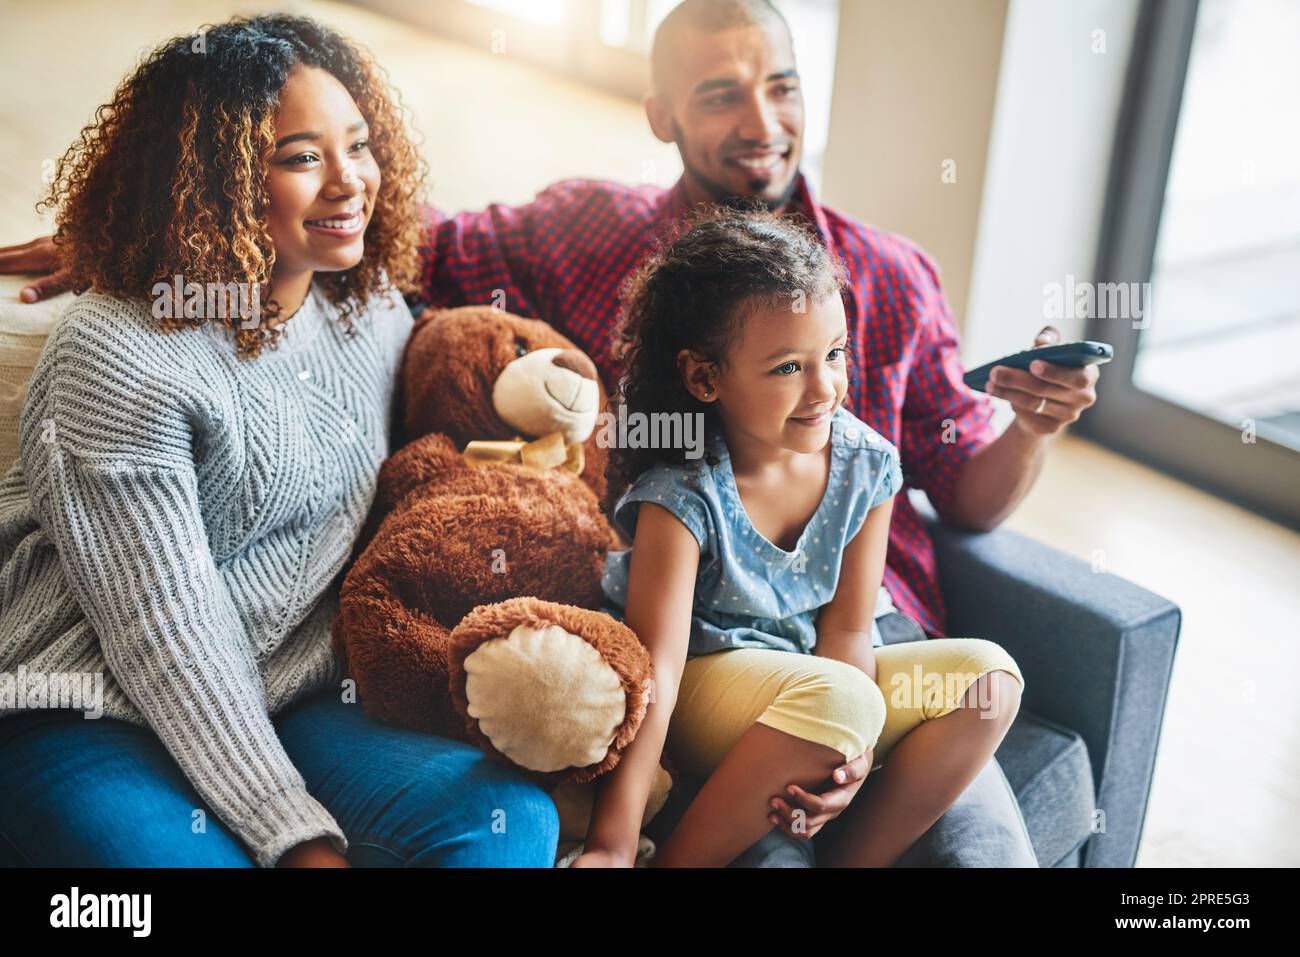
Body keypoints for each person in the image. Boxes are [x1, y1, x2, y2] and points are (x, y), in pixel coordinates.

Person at [1, 0, 1100, 866]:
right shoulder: (584, 235)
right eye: (719, 95)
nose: (759, 123)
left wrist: (1034, 430)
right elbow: (165, 635)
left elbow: (963, 488)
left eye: (779, 87)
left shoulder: (886, 276)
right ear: (662, 113)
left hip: (852, 640)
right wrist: (145, 240)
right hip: (110, 704)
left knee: (972, 835)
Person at [0, 14, 559, 868]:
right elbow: (165, 630)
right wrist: (292, 834)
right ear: (211, 177)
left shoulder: (366, 306)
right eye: (301, 157)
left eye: (360, 145)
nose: (350, 182)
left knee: (510, 819)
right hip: (88, 705)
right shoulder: (116, 351)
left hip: (286, 697)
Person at [571, 207, 1024, 867]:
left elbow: (845, 631)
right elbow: (656, 673)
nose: (824, 388)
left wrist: (854, 748)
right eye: (788, 367)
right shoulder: (682, 495)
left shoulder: (868, 465)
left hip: (816, 685)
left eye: (834, 354)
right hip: (706, 688)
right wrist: (611, 844)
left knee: (991, 683)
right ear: (705, 378)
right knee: (839, 698)